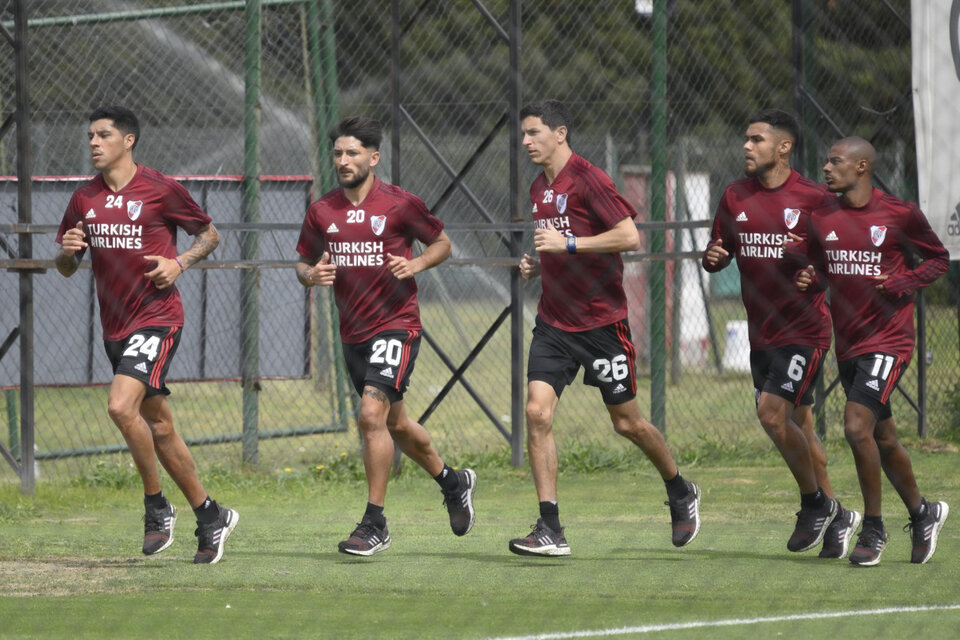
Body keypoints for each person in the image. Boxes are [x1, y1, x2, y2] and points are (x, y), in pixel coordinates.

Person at [509, 99, 700, 557]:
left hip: (601, 325)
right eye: (523, 134)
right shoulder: (539, 188)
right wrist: (539, 262)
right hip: (554, 323)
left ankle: (679, 489)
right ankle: (550, 527)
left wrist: (568, 244)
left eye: (534, 132)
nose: (526, 141)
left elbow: (628, 236)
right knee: (536, 413)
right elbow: (558, 244)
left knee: (627, 423)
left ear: (560, 133)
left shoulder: (589, 178)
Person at [55, 106, 238, 564]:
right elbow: (64, 268)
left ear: (128, 140)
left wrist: (180, 263)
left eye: (103, 135)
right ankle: (210, 514)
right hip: (115, 328)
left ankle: (157, 506)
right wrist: (66, 252)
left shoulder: (160, 188)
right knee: (158, 426)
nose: (94, 143)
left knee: (120, 406)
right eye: (91, 136)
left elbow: (211, 235)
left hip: (157, 319)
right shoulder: (83, 199)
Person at [295, 116, 476, 556]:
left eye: (352, 153)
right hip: (353, 332)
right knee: (396, 423)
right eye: (337, 153)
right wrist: (310, 275)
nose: (343, 160)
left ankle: (374, 523)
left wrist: (415, 265)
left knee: (370, 417)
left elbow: (442, 244)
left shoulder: (400, 204)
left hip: (397, 324)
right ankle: (454, 482)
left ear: (373, 158)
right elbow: (302, 262)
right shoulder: (322, 211)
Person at [701, 109, 860, 558]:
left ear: (784, 147)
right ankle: (840, 515)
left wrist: (821, 277)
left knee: (772, 416)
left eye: (756, 139)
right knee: (802, 429)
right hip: (761, 334)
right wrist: (713, 258)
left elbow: (843, 254)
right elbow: (722, 250)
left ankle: (815, 504)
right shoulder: (734, 196)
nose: (746, 146)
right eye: (746, 139)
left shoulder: (815, 198)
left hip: (804, 330)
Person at [796, 136, 950, 566]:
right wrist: (814, 278)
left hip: (889, 340)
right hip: (848, 343)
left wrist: (903, 283)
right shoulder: (821, 216)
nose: (826, 169)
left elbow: (937, 258)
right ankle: (923, 513)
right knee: (883, 437)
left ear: (862, 167)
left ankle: (875, 529)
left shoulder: (899, 214)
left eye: (835, 162)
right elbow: (819, 264)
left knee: (855, 427)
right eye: (826, 161)